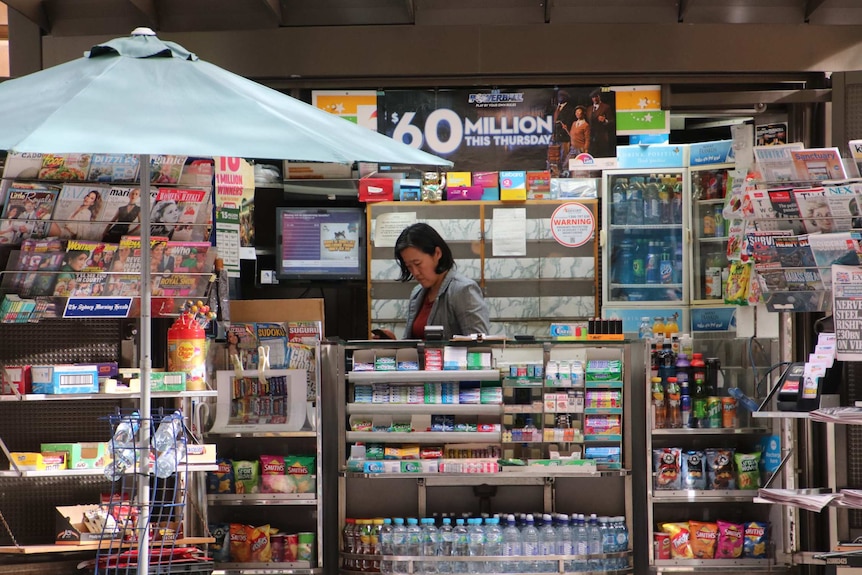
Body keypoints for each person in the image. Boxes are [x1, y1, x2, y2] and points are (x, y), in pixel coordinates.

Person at [386, 222, 490, 340]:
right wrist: (393, 343)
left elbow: (480, 345)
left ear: (437, 253)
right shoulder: (417, 293)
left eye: (418, 263)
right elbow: (413, 344)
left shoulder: (463, 290)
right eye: (409, 266)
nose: (415, 272)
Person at [552, 90, 576, 173]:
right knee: (555, 156)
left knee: (564, 155)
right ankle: (557, 171)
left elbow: (572, 122)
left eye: (562, 96)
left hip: (565, 136)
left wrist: (567, 128)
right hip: (556, 136)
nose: (560, 98)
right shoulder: (555, 108)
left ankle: (564, 171)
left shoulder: (570, 109)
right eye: (559, 96)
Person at [586, 89, 614, 158]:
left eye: (596, 97)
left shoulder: (606, 107)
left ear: (599, 97)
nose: (595, 99)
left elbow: (612, 121)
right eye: (593, 97)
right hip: (591, 137)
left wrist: (605, 120)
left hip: (602, 136)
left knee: (602, 154)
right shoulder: (589, 109)